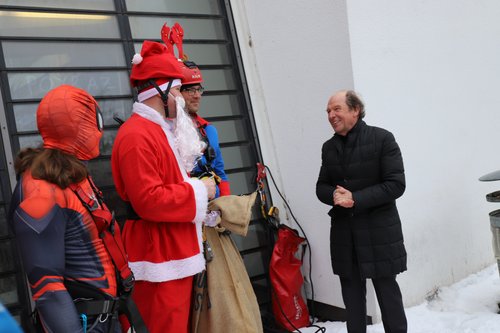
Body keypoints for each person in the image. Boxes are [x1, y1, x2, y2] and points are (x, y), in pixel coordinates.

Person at [111, 40, 216, 333]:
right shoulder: (137, 135)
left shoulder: (156, 130)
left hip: (170, 251)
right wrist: (199, 191)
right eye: (176, 91)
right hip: (158, 255)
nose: (181, 98)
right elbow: (149, 200)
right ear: (158, 90)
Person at [8, 84, 123, 332]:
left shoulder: (68, 173)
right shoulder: (41, 189)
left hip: (104, 316)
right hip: (84, 322)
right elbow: (47, 287)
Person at [316, 90, 407, 333]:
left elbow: (396, 185)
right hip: (346, 236)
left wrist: (355, 199)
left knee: (389, 299)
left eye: (337, 109)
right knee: (353, 304)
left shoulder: (383, 139)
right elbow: (321, 186)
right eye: (328, 111)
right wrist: (333, 195)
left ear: (355, 110)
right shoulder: (329, 148)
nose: (331, 115)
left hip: (380, 233)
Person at [179, 60, 231, 197]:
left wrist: (226, 204)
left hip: (214, 207)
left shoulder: (209, 130)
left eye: (198, 89)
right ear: (177, 93)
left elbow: (220, 172)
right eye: (190, 90)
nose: (197, 96)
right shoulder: (169, 133)